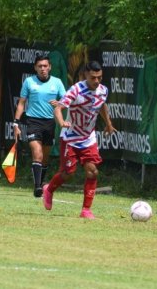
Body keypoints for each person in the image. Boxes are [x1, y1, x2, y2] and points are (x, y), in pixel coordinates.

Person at [43, 61, 116, 219]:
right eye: (93, 78)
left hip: (88, 138)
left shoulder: (103, 90)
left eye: (99, 77)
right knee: (68, 173)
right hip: (70, 138)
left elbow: (101, 105)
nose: (97, 81)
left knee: (93, 171)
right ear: (85, 76)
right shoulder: (76, 90)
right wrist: (62, 122)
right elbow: (58, 108)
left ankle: (86, 210)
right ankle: (49, 189)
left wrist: (109, 124)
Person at [13, 55, 66, 197]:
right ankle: (37, 187)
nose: (43, 69)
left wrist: (59, 103)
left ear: (50, 67)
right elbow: (22, 103)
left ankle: (41, 183)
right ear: (35, 68)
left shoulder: (57, 82)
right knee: (37, 153)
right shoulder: (29, 82)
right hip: (33, 121)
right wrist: (16, 123)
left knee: (45, 158)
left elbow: (67, 101)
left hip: (49, 123)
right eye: (40, 66)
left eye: (45, 66)